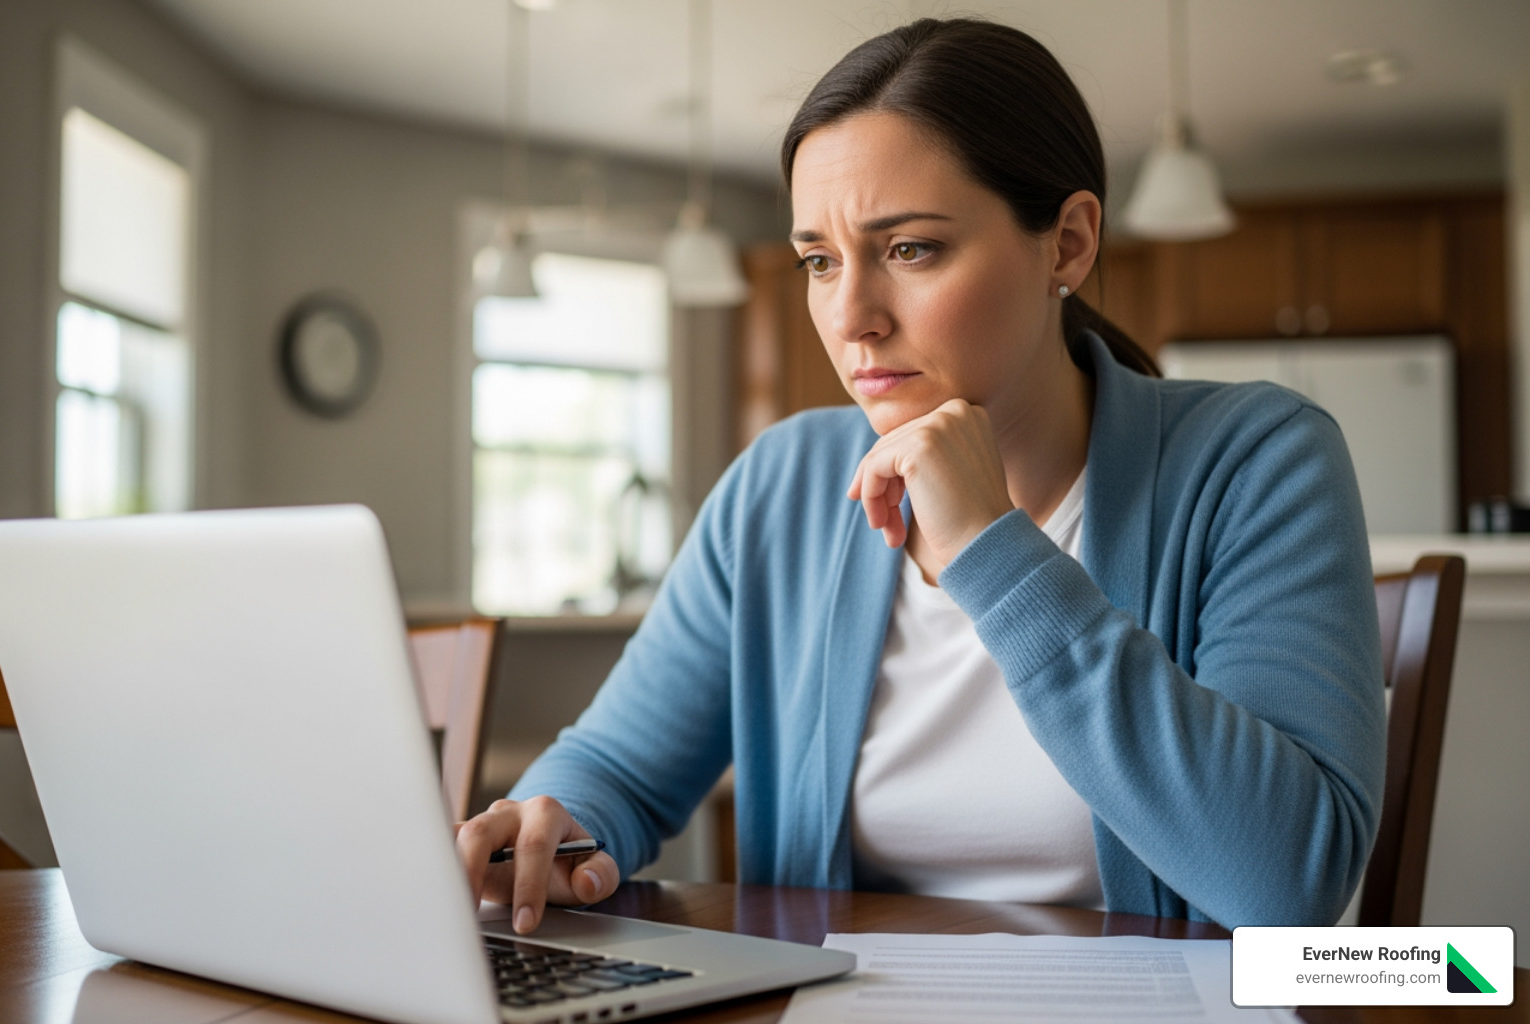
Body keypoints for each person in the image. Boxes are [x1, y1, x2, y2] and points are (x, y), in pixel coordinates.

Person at [454, 17, 1386, 935]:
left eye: (911, 249)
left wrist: (996, 551)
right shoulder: (779, 485)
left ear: (1067, 242)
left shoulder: (1258, 458)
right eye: (819, 261)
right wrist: (553, 821)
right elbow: (619, 765)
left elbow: (1287, 888)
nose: (852, 315)